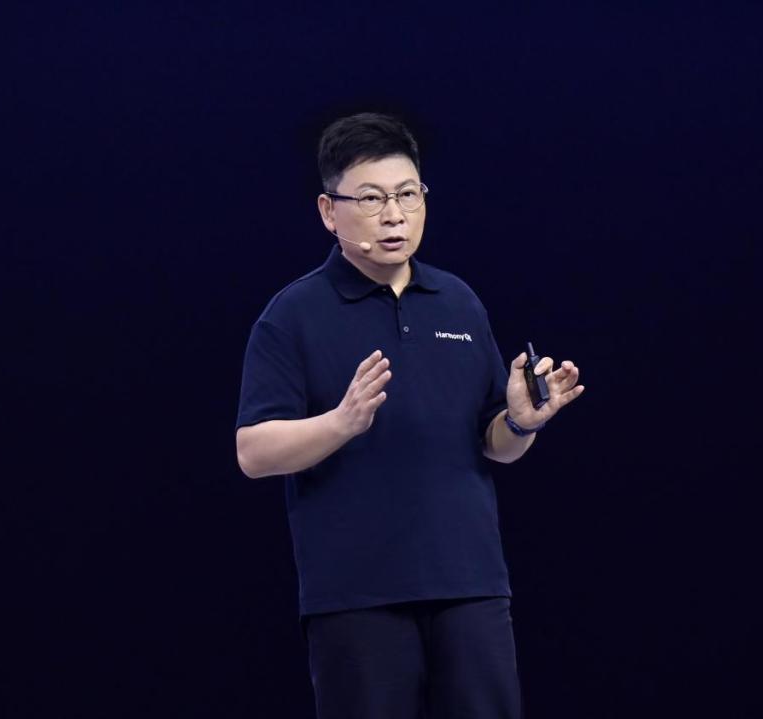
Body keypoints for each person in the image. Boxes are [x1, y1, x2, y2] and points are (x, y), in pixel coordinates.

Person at [234, 112, 584, 719]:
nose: (394, 215)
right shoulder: (292, 315)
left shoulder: (457, 300)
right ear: (328, 211)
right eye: (371, 199)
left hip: (470, 584)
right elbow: (253, 453)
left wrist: (521, 421)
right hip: (357, 595)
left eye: (407, 195)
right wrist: (340, 423)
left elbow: (494, 444)